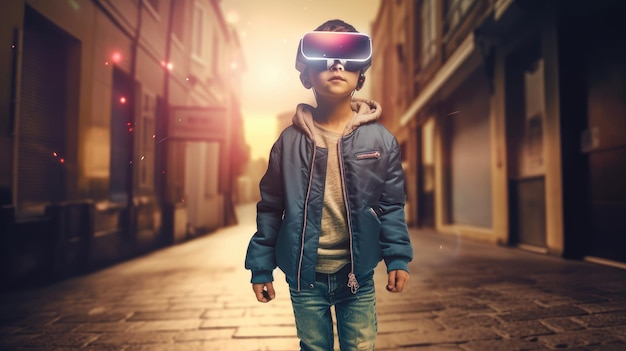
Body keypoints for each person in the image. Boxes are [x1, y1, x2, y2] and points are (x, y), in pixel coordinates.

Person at [245, 19, 413, 351]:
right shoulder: (288, 143)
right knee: (314, 346)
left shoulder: (382, 140)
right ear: (306, 74)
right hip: (305, 277)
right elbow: (270, 209)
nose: (336, 64)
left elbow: (391, 205)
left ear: (360, 76)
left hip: (358, 275)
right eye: (324, 57)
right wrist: (261, 267)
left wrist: (398, 257)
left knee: (361, 346)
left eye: (347, 57)